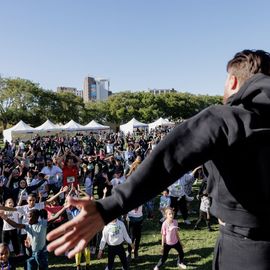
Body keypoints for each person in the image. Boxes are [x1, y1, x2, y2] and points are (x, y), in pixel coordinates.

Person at [47, 49, 270, 269]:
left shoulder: (225, 118)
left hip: (246, 250)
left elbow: (168, 160)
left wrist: (109, 207)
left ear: (232, 82)